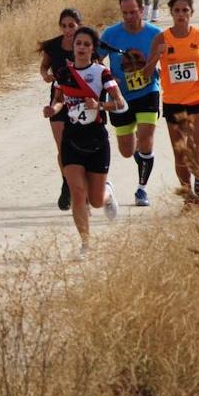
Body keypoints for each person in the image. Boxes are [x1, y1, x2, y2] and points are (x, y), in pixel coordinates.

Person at [42, 27, 125, 256]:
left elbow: (120, 103)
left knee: (96, 201)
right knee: (77, 193)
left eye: (87, 44)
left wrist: (99, 105)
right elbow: (59, 99)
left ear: (93, 49)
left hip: (96, 140)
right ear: (73, 46)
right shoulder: (63, 73)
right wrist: (53, 109)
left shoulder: (102, 73)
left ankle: (107, 193)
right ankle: (86, 244)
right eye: (78, 43)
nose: (81, 47)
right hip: (71, 139)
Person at [144, 0, 199, 201]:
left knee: (195, 146)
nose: (181, 14)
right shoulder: (161, 38)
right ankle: (188, 195)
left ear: (191, 13)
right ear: (171, 13)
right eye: (176, 10)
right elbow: (146, 73)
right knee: (180, 153)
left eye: (185, 10)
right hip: (173, 102)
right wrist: (157, 56)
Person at [100, 0, 164, 206]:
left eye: (133, 12)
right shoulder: (110, 35)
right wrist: (108, 77)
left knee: (146, 137)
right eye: (125, 13)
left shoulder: (155, 34)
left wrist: (157, 68)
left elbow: (168, 57)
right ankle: (139, 152)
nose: (129, 17)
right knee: (126, 151)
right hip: (120, 97)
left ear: (142, 11)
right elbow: (95, 59)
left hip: (148, 91)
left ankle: (141, 189)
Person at [39, 8, 81, 211]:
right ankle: (67, 184)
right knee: (63, 147)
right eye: (64, 26)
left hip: (81, 100)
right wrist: (45, 76)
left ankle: (79, 183)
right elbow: (44, 66)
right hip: (58, 97)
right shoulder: (54, 46)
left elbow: (98, 66)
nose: (67, 30)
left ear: (79, 25)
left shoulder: (85, 44)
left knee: (78, 145)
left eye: (71, 25)